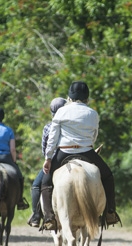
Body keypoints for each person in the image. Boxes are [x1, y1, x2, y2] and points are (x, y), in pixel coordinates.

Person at [41, 81, 121, 231]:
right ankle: (110, 212)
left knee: (45, 182)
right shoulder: (92, 113)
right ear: (87, 97)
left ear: (69, 96)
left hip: (64, 151)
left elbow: (52, 138)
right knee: (108, 176)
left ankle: (49, 217)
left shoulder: (61, 112)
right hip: (87, 152)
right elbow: (94, 135)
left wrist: (48, 158)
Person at [28, 97, 67, 228]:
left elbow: (44, 150)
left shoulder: (48, 127)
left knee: (36, 185)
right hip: (70, 158)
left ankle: (36, 215)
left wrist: (48, 159)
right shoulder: (70, 126)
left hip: (54, 162)